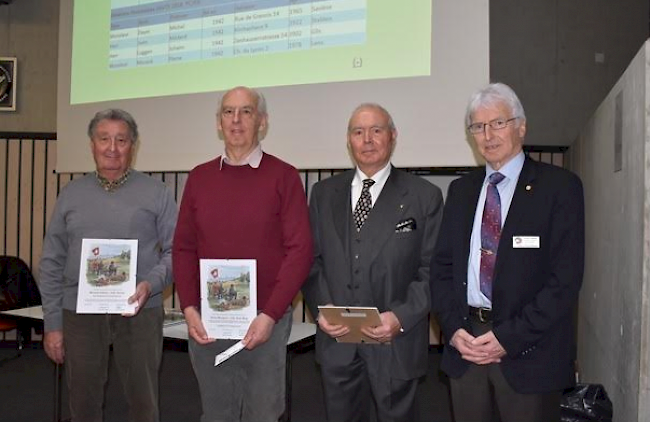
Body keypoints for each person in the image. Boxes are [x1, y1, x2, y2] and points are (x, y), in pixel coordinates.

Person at [430, 82, 585, 422]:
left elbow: (565, 280)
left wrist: (507, 338)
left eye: (498, 123)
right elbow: (441, 269)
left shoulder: (559, 188)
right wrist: (454, 330)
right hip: (466, 347)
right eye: (478, 126)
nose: (488, 134)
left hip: (529, 353)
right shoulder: (461, 191)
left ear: (521, 126)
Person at [172, 86, 313, 422]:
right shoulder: (199, 177)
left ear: (261, 121)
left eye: (246, 111)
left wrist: (270, 315)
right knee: (216, 413)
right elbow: (183, 247)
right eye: (228, 112)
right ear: (219, 123)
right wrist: (190, 308)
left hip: (264, 323)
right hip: (209, 324)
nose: (236, 120)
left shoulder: (285, 176)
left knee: (262, 413)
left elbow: (300, 251)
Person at [302, 103, 444, 422]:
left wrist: (401, 316)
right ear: (348, 140)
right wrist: (322, 309)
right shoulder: (323, 194)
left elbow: (432, 269)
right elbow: (311, 261)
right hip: (338, 340)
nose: (367, 139)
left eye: (376, 130)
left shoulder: (424, 196)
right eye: (358, 132)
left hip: (395, 342)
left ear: (392, 137)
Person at [38, 108, 177, 422]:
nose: (112, 148)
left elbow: (176, 251)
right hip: (80, 314)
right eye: (104, 139)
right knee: (83, 403)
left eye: (121, 140)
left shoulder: (157, 193)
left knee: (143, 404)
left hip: (140, 311)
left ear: (133, 145)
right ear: (92, 144)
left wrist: (151, 285)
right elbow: (51, 261)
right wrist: (53, 323)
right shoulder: (71, 194)